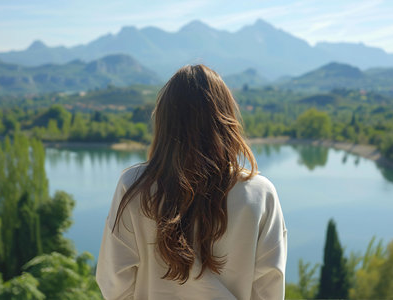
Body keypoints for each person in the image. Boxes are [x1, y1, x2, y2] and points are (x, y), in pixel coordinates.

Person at [96, 65, 287, 300]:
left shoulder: (135, 186)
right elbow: (269, 288)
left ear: (165, 121)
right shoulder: (259, 193)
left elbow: (113, 283)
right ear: (225, 119)